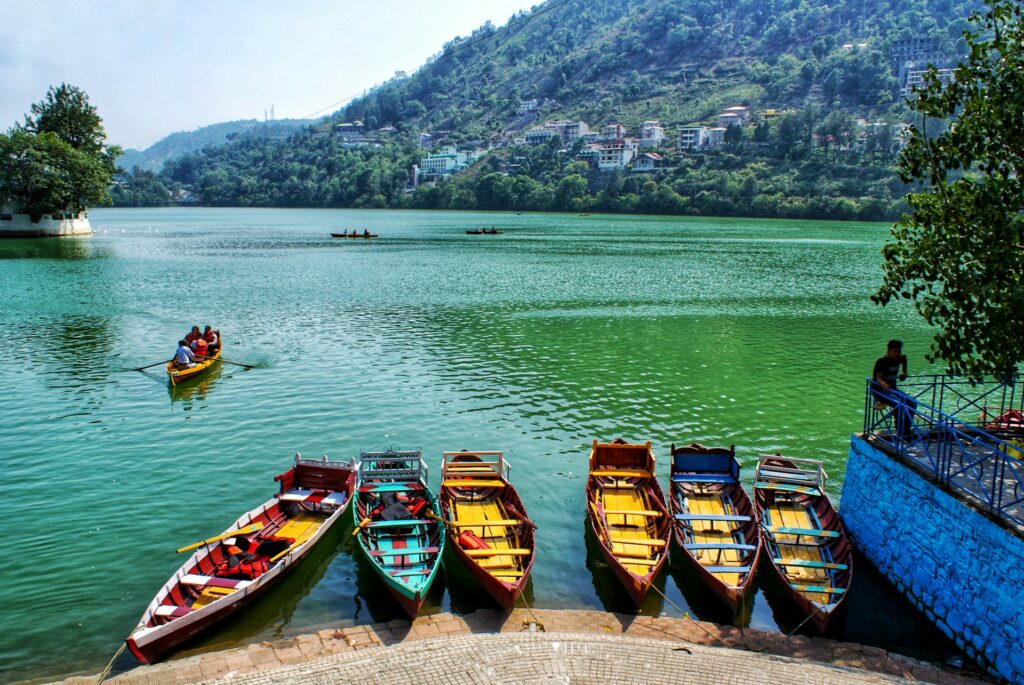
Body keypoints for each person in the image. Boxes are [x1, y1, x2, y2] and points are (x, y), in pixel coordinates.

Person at [872, 339, 916, 439]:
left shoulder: (902, 358)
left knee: (912, 403)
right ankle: (900, 431)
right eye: (894, 352)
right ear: (888, 352)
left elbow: (905, 373)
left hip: (892, 390)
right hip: (879, 391)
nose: (896, 354)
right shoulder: (882, 361)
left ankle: (906, 429)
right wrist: (883, 384)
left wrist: (903, 375)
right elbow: (878, 378)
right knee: (899, 404)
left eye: (898, 352)